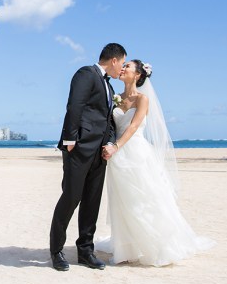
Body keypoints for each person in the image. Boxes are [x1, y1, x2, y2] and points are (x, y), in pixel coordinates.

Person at [97, 59, 215, 266]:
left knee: (144, 197)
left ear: (138, 75)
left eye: (128, 67)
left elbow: (133, 127)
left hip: (137, 153)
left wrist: (115, 146)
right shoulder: (115, 98)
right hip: (118, 158)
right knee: (123, 201)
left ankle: (156, 244)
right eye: (123, 66)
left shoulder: (142, 99)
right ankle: (126, 247)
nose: (123, 69)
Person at [49, 42, 126, 271]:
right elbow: (74, 106)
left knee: (92, 202)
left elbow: (108, 119)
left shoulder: (109, 88)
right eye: (122, 63)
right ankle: (56, 251)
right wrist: (71, 141)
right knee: (71, 198)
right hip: (80, 149)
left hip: (100, 153)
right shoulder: (86, 73)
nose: (121, 68)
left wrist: (110, 143)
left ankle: (85, 251)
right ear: (114, 59)